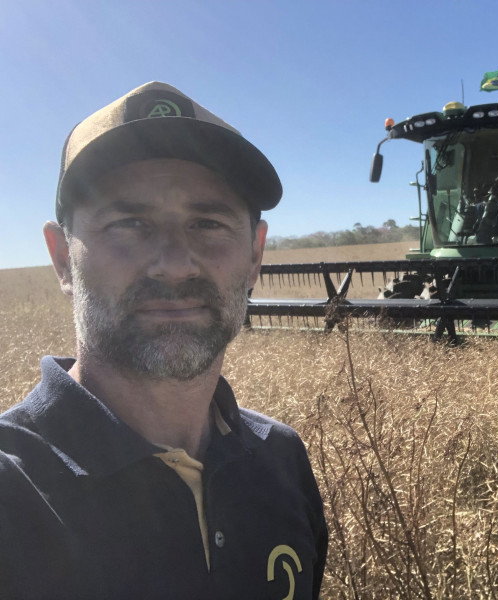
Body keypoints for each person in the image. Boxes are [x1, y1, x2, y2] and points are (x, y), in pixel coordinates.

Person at [0, 82, 328, 599]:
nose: (174, 264)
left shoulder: (282, 461)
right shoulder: (12, 492)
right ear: (63, 257)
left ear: (255, 258)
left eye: (208, 223)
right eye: (128, 223)